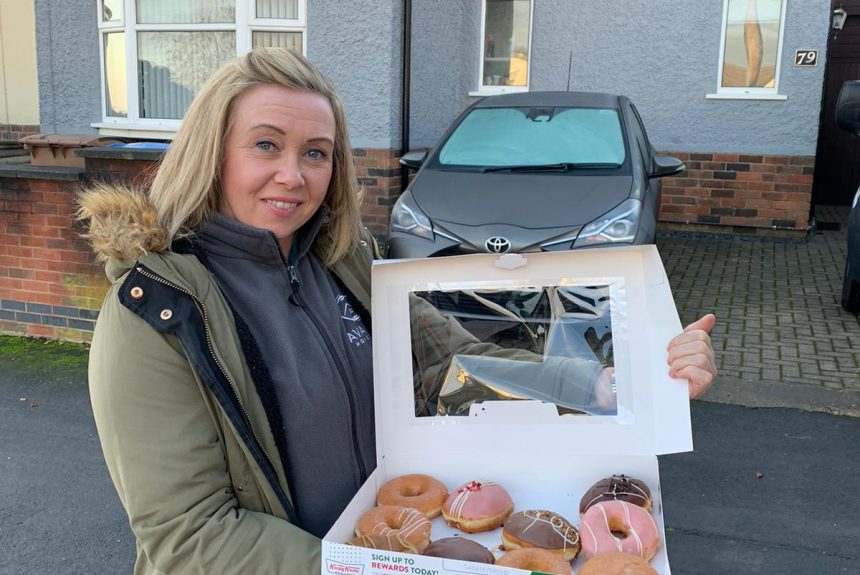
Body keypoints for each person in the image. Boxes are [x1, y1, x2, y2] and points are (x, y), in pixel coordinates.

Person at [78, 48, 716, 574]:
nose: (293, 176)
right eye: (266, 145)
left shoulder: (347, 264)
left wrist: (611, 381)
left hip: (396, 549)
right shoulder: (155, 315)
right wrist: (364, 569)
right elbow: (189, 537)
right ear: (211, 153)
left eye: (316, 152)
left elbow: (456, 363)